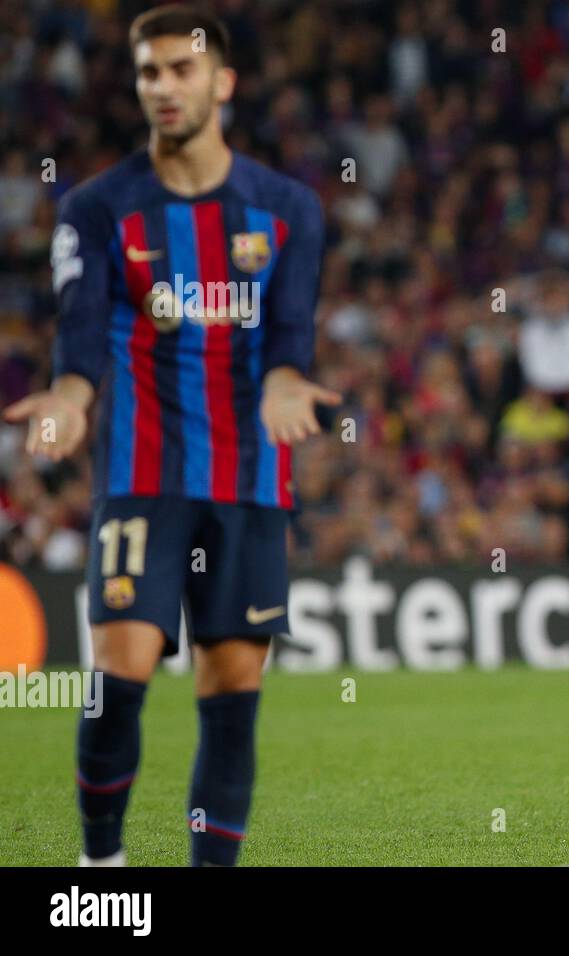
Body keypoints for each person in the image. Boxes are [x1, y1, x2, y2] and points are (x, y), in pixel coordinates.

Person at [3, 4, 340, 866]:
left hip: (251, 482)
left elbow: (291, 337)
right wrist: (71, 400)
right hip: (141, 476)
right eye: (148, 71)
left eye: (180, 69)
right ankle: (102, 867)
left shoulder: (287, 208)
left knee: (231, 694)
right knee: (119, 678)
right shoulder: (96, 208)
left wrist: (287, 386)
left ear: (221, 83)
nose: (162, 86)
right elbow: (80, 340)